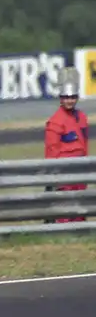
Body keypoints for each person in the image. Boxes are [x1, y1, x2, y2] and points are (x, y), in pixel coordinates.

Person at [45, 70, 89, 222]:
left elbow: (85, 145)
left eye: (72, 97)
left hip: (80, 173)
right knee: (64, 213)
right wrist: (53, 177)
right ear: (60, 99)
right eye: (66, 97)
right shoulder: (55, 122)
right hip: (64, 175)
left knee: (80, 211)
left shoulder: (82, 118)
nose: (69, 100)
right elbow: (51, 153)